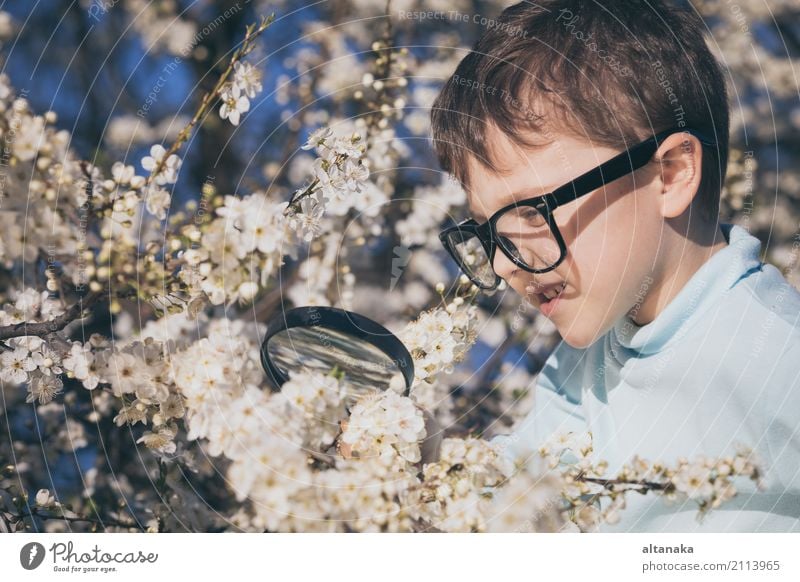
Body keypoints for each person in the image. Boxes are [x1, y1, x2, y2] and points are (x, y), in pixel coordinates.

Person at [430, 0, 800, 531]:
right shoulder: (587, 364)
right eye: (488, 231)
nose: (503, 264)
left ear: (668, 175)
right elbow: (523, 487)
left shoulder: (775, 351)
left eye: (532, 211)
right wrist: (421, 463)